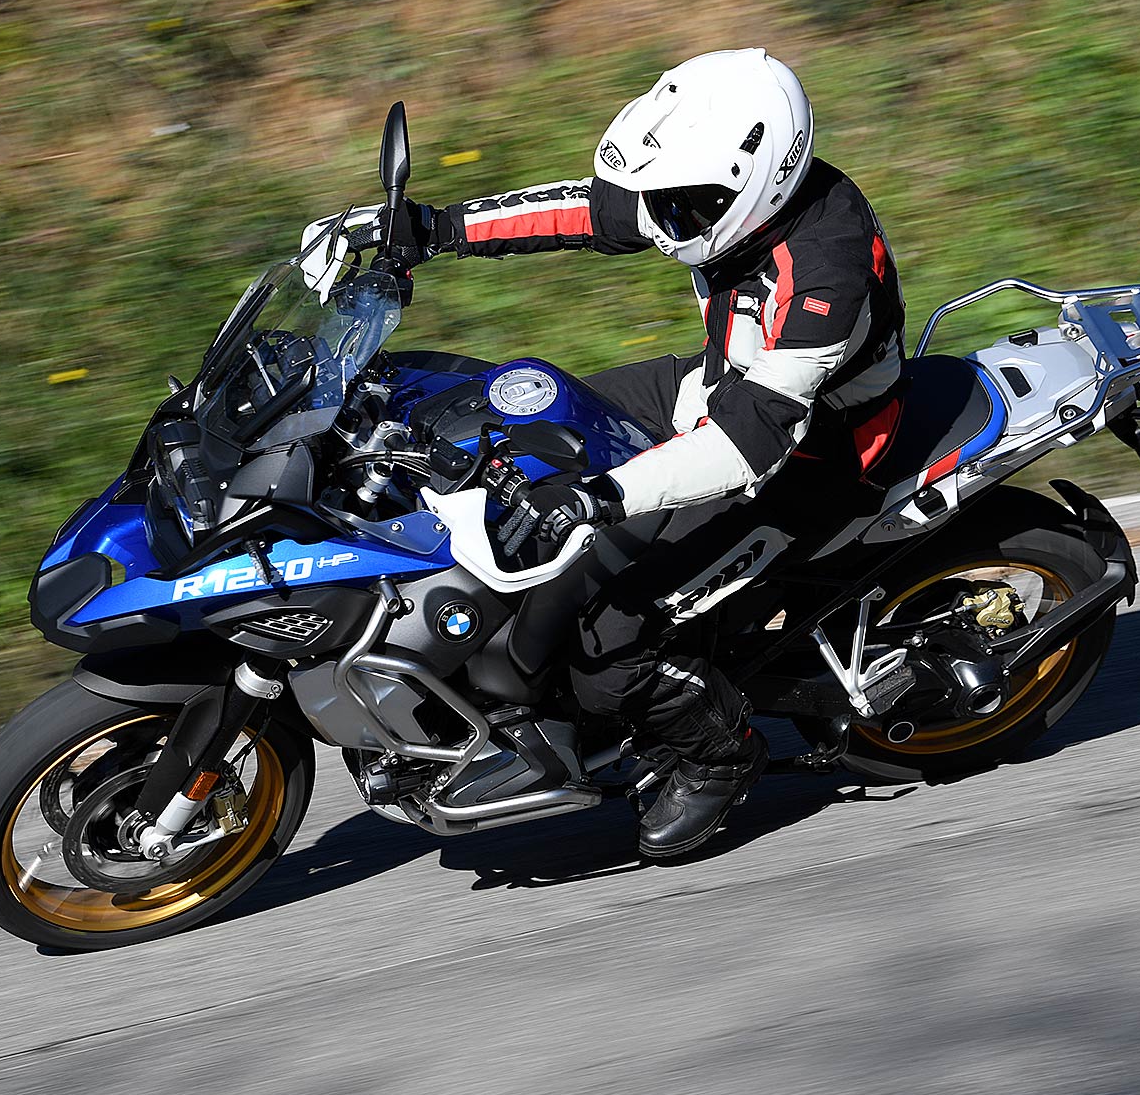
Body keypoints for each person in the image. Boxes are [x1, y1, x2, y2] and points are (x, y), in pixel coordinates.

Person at [304, 48, 907, 858]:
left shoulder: (825, 273)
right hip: (720, 383)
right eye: (662, 202)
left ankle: (716, 753)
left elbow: (748, 442)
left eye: (679, 208)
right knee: (496, 413)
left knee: (607, 629)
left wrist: (604, 495)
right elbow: (590, 211)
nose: (659, 223)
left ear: (758, 183)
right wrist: (431, 229)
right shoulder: (715, 193)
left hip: (806, 454)